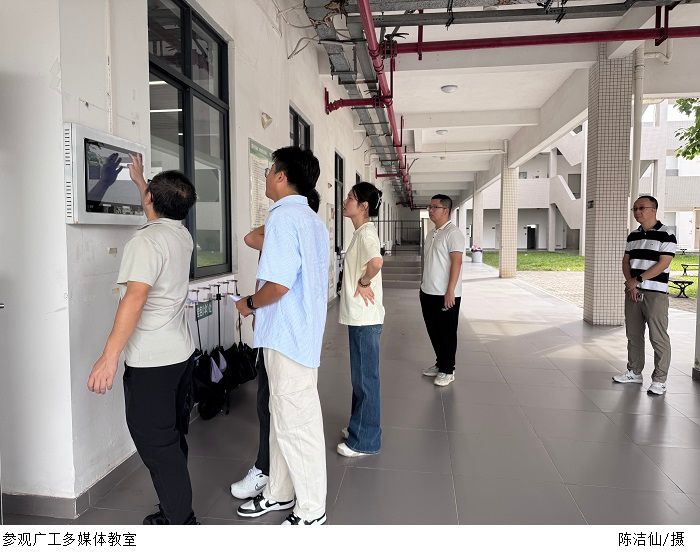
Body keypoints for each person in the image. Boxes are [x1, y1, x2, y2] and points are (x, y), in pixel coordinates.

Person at [87, 154, 198, 525]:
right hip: (179, 354)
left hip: (152, 361)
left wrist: (108, 357)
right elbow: (160, 213)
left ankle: (181, 521)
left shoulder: (146, 242)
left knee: (156, 442)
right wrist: (141, 182)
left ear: (150, 199)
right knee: (171, 436)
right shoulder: (181, 235)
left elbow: (134, 299)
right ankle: (175, 509)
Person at [234, 147, 329, 525]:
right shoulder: (309, 219)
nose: (265, 176)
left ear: (281, 176)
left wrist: (249, 304)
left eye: (269, 169)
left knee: (297, 425)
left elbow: (277, 286)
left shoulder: (285, 218)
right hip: (294, 334)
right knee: (282, 419)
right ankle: (279, 491)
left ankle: (312, 511)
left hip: (288, 337)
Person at [613, 195, 677, 395]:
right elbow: (626, 261)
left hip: (655, 294)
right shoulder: (633, 235)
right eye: (635, 208)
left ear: (653, 210)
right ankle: (634, 372)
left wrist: (637, 280)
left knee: (658, 337)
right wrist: (631, 284)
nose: (637, 212)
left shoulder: (667, 234)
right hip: (633, 292)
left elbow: (663, 263)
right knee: (633, 335)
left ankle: (659, 380)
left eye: (642, 208)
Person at [420, 194, 465, 387]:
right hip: (427, 291)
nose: (430, 210)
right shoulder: (432, 233)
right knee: (434, 331)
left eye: (434, 207)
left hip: (444, 294)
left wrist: (450, 291)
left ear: (445, 210)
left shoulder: (453, 233)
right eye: (429, 207)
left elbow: (457, 262)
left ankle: (448, 370)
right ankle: (440, 364)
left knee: (447, 333)